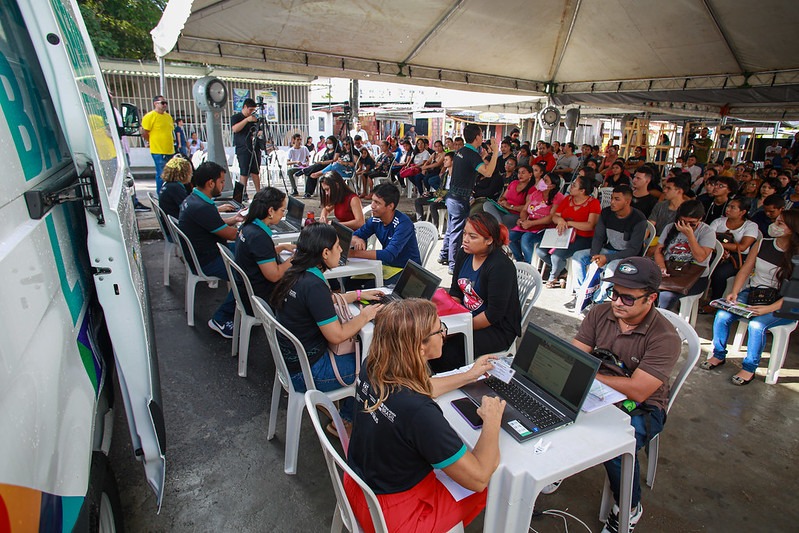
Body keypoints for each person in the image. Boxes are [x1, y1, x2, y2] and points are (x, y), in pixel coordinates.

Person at [345, 298, 505, 533]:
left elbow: (420, 389)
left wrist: (470, 375)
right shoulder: (419, 412)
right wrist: (492, 421)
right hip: (394, 518)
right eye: (440, 330)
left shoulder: (374, 364)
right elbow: (478, 478)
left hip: (359, 487)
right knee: (491, 481)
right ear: (420, 346)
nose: (444, 335)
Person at [572, 257, 681, 533]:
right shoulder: (599, 313)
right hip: (597, 388)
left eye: (628, 298)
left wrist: (588, 374)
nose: (618, 302)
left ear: (651, 298)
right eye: (614, 293)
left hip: (643, 406)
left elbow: (639, 389)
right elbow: (575, 354)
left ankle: (629, 508)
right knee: (552, 407)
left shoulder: (664, 337)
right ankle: (560, 466)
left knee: (617, 444)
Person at [269, 223, 383, 428]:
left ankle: (340, 408)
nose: (341, 251)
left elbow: (325, 300)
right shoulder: (314, 286)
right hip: (308, 373)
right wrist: (365, 316)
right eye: (338, 247)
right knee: (374, 366)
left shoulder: (296, 273)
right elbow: (337, 336)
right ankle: (346, 421)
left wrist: (357, 295)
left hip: (291, 363)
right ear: (325, 252)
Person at [703, 209, 799, 385]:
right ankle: (718, 355)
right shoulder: (763, 244)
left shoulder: (797, 255)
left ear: (792, 229)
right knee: (723, 314)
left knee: (756, 325)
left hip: (785, 302)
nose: (774, 226)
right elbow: (746, 269)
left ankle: (749, 368)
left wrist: (768, 309)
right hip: (755, 294)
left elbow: (795, 292)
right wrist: (735, 292)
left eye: (780, 223)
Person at [431, 213, 521, 373]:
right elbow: (455, 292)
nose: (465, 239)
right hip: (465, 317)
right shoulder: (464, 254)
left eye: (472, 236)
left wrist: (457, 328)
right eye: (465, 233)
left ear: (489, 240)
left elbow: (493, 314)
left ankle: (445, 385)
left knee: (445, 351)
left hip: (497, 329)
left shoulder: (500, 267)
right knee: (427, 338)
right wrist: (448, 319)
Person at [178, 162, 242, 338]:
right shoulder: (202, 208)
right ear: (210, 183)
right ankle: (221, 318)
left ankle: (244, 307)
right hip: (207, 260)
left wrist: (235, 219)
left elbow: (215, 225)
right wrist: (255, 230)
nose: (223, 185)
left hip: (205, 252)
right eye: (221, 181)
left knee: (249, 254)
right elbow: (230, 234)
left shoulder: (193, 199)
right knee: (248, 275)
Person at [572, 185, 648, 303]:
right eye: (612, 198)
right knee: (578, 256)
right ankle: (581, 295)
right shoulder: (606, 213)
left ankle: (597, 300)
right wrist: (595, 255)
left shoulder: (639, 219)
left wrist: (607, 258)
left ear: (627, 202)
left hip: (627, 257)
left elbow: (633, 249)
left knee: (612, 268)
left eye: (617, 199)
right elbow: (598, 237)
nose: (612, 202)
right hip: (608, 250)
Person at [443, 125, 501, 274]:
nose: (482, 138)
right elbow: (487, 172)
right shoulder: (471, 154)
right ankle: (453, 264)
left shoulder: (461, 151)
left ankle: (444, 254)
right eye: (481, 135)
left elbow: (472, 165)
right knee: (457, 231)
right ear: (477, 137)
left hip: (452, 196)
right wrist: (495, 153)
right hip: (459, 199)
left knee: (451, 228)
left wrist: (484, 155)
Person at [234, 188, 295, 314]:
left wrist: (281, 247)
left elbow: (258, 255)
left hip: (248, 290)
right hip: (261, 299)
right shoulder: (259, 237)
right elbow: (274, 275)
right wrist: (296, 259)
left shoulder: (248, 226)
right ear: (271, 211)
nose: (283, 214)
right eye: (282, 210)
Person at [537, 172, 601, 288]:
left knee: (557, 256)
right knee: (540, 251)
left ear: (582, 191)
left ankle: (553, 277)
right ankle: (561, 271)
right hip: (564, 233)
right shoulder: (568, 199)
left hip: (583, 237)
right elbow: (555, 216)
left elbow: (590, 225)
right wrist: (560, 220)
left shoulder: (594, 203)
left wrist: (569, 223)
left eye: (574, 185)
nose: (570, 186)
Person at [350, 184, 421, 286]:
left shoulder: (403, 223)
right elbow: (355, 235)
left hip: (407, 272)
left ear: (390, 206)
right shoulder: (375, 220)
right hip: (388, 267)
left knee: (369, 286)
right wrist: (357, 239)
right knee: (349, 280)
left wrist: (353, 254)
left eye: (377, 203)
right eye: (372, 201)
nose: (372, 206)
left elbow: (388, 255)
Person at [653, 200, 716, 311]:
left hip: (693, 276)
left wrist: (690, 235)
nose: (687, 226)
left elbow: (700, 258)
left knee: (666, 296)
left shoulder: (707, 232)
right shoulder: (670, 227)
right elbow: (658, 251)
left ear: (700, 219)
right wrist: (661, 267)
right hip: (670, 271)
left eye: (692, 223)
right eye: (683, 222)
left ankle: (659, 322)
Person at [705, 198, 758, 303]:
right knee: (702, 266)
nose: (728, 209)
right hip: (714, 253)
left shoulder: (751, 226)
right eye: (728, 206)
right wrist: (718, 250)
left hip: (737, 257)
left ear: (742, 212)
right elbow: (707, 239)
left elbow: (742, 247)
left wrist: (721, 246)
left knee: (720, 273)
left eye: (732, 207)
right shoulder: (718, 221)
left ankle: (715, 300)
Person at [508, 170, 564, 263]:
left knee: (526, 238)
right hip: (530, 223)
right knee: (509, 237)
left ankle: (529, 265)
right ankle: (520, 260)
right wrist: (522, 219)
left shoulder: (558, 197)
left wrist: (531, 223)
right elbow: (525, 210)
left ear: (552, 186)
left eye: (545, 181)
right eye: (543, 179)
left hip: (545, 227)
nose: (542, 181)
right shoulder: (536, 193)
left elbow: (551, 218)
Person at [484, 162, 536, 228]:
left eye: (523, 173)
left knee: (504, 218)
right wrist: (501, 201)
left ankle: (498, 225)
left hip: (515, 214)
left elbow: (526, 208)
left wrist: (510, 206)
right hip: (504, 209)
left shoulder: (532, 189)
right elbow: (503, 197)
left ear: (530, 174)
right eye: (519, 173)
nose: (520, 175)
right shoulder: (513, 183)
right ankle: (498, 224)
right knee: (487, 204)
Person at [230, 98, 264, 201]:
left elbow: (260, 131)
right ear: (244, 107)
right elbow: (235, 129)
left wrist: (258, 132)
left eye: (253, 110)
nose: (251, 112)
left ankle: (259, 193)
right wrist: (246, 120)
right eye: (250, 110)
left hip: (254, 147)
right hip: (243, 148)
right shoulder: (236, 117)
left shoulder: (254, 118)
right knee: (244, 171)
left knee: (255, 171)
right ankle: (243, 193)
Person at [648, 173, 691, 251]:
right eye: (664, 187)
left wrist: (659, 247)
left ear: (679, 191)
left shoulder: (688, 210)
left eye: (668, 188)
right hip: (655, 240)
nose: (664, 190)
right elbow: (650, 226)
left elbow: (682, 235)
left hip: (674, 244)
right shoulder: (660, 205)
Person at [141, 95, 174, 194]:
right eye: (162, 103)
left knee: (170, 175)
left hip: (170, 150)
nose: (165, 105)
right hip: (158, 150)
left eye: (166, 103)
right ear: (155, 103)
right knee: (161, 174)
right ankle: (161, 195)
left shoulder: (168, 117)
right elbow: (144, 132)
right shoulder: (150, 116)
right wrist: (150, 142)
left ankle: (168, 194)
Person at [416, 152, 454, 233]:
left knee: (433, 205)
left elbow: (454, 191)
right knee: (418, 201)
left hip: (449, 199)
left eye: (446, 160)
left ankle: (434, 229)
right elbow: (440, 189)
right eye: (444, 160)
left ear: (453, 161)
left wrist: (442, 197)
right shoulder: (445, 175)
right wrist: (431, 193)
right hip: (441, 195)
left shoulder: (457, 176)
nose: (444, 162)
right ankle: (420, 224)